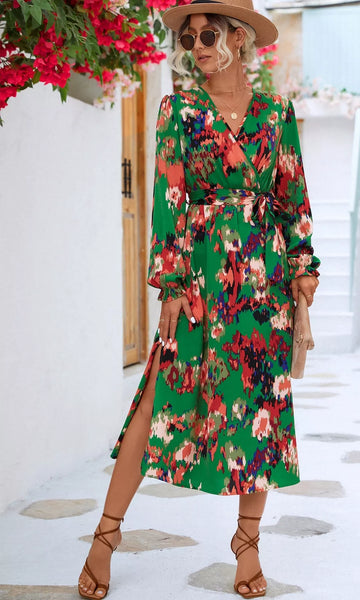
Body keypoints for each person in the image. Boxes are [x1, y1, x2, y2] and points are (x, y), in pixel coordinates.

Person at [78, 0, 320, 598]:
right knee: (157, 397)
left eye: (208, 35)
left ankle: (247, 546)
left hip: (261, 285)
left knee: (259, 411)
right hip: (201, 280)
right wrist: (173, 284)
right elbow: (168, 199)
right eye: (188, 40)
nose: (197, 48)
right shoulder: (178, 110)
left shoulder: (276, 113)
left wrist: (302, 275)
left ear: (239, 39)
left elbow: (293, 199)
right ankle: (106, 535)